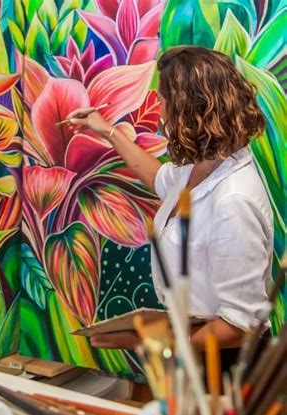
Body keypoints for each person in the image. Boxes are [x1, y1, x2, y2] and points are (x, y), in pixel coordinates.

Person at [66, 46, 273, 360]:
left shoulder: (233, 201)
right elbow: (159, 178)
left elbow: (241, 325)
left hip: (226, 361)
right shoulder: (206, 165)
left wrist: (148, 340)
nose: (159, 112)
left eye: (162, 102)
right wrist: (107, 130)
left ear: (185, 109)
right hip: (197, 344)